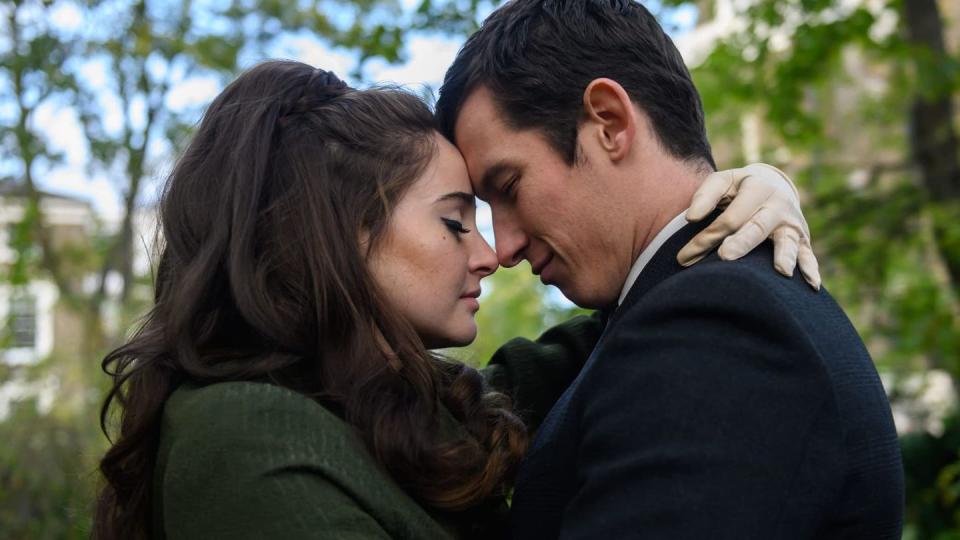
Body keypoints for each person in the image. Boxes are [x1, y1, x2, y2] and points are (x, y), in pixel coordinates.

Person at [94, 60, 817, 539]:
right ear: (341, 235)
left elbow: (628, 326)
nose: (490, 252)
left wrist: (737, 198)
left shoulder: (409, 410)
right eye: (455, 220)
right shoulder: (245, 434)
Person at [435, 0, 905, 538]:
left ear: (608, 122)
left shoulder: (716, 327)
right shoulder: (674, 315)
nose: (505, 248)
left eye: (510, 187)